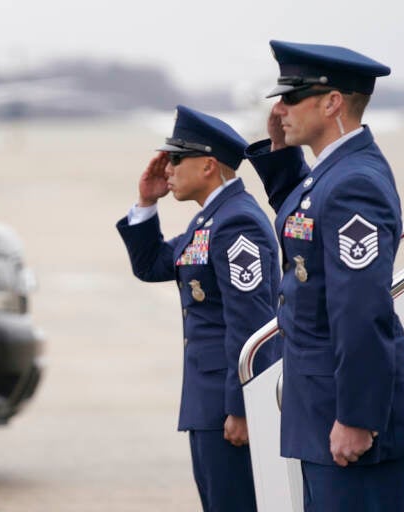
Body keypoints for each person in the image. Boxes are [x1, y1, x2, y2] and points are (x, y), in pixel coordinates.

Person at [245, 40, 404, 511]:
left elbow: (361, 307)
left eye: (292, 96)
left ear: (331, 103)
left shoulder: (355, 184)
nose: (279, 107)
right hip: (321, 408)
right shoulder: (333, 174)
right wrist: (279, 151)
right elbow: (302, 224)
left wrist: (357, 416)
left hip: (346, 417)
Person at [116, 105, 281, 511]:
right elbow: (153, 264)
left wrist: (243, 407)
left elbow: (252, 324)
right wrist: (145, 202)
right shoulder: (210, 220)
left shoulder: (237, 222)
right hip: (209, 403)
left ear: (208, 165)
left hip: (229, 406)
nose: (166, 168)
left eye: (175, 158)